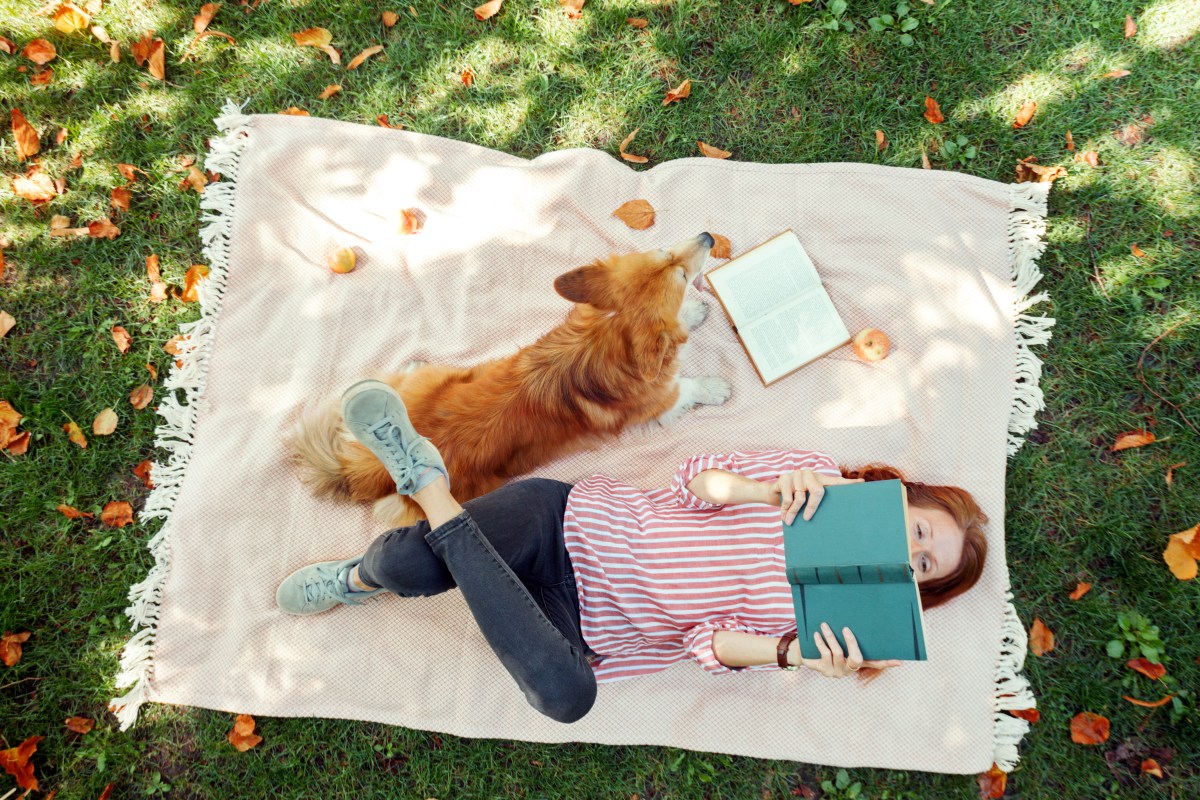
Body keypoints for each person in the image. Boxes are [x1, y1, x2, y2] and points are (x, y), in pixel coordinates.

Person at [277, 381, 989, 724]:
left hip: (585, 626)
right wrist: (768, 493)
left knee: (568, 698)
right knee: (401, 566)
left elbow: (706, 643)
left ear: (914, 590)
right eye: (921, 530)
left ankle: (430, 487)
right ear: (904, 497)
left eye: (924, 565)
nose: (911, 549)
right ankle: (359, 575)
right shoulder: (814, 477)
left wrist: (794, 655)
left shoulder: (832, 629)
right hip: (568, 523)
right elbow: (694, 481)